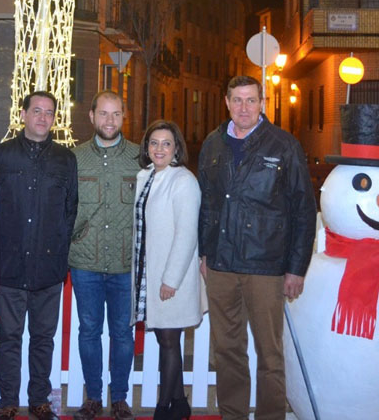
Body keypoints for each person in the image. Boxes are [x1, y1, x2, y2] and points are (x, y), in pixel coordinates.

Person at [198, 75, 315, 420]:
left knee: (269, 354)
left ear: (263, 103)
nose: (243, 108)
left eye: (251, 100)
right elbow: (207, 203)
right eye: (237, 100)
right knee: (228, 351)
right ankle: (232, 415)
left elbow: (303, 209)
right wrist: (206, 253)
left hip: (266, 265)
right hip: (221, 265)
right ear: (226, 102)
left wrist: (296, 267)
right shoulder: (213, 144)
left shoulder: (283, 145)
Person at [0, 91, 78, 420]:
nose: (43, 117)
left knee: (44, 338)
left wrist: (60, 252)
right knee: (9, 338)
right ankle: (8, 402)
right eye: (36, 111)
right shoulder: (0, 157)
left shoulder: (65, 159)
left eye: (49, 112)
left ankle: (39, 399)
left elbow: (71, 211)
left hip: (48, 267)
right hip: (9, 264)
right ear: (23, 114)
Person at [70, 91, 139, 420]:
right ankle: (94, 397)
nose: (109, 120)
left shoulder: (140, 158)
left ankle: (121, 398)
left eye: (116, 114)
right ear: (92, 117)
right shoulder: (75, 158)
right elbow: (64, 207)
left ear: (124, 116)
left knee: (124, 334)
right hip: (85, 262)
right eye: (103, 114)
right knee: (88, 331)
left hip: (126, 263)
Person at [133, 120, 204, 420]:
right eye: (154, 143)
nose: (159, 149)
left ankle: (164, 407)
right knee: (165, 338)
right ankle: (180, 403)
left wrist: (171, 279)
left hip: (173, 275)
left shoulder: (184, 180)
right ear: (146, 147)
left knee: (170, 340)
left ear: (177, 148)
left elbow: (187, 234)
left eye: (166, 143)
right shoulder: (145, 176)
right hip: (149, 272)